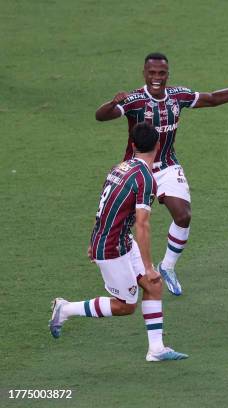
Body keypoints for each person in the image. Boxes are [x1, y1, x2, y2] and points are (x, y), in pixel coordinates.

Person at [95, 52, 228, 296]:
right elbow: (100, 117)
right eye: (151, 73)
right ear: (144, 73)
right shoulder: (134, 100)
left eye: (161, 73)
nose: (156, 78)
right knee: (124, 223)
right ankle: (120, 264)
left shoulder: (177, 96)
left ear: (168, 75)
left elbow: (213, 98)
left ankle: (167, 267)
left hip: (167, 166)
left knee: (183, 216)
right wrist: (112, 103)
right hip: (137, 169)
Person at [49, 122, 188, 362]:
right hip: (112, 247)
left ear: (133, 145)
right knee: (125, 306)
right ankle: (65, 309)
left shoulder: (120, 167)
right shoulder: (146, 178)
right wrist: (148, 266)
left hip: (117, 239)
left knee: (153, 286)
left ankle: (156, 350)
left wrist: (94, 236)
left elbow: (106, 205)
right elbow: (142, 224)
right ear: (157, 144)